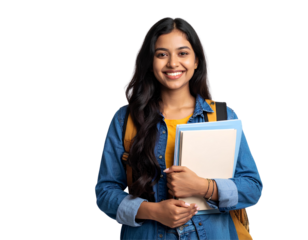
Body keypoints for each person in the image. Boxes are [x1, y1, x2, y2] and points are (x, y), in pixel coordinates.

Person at [93, 16, 264, 240]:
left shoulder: (223, 117)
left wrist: (205, 187)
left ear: (196, 61)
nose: (173, 63)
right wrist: (153, 211)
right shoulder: (124, 119)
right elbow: (104, 193)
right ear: (150, 62)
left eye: (183, 53)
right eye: (162, 54)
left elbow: (253, 187)